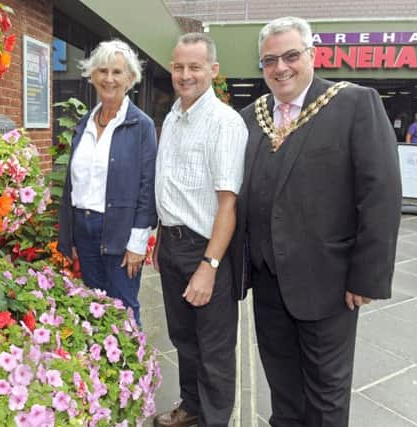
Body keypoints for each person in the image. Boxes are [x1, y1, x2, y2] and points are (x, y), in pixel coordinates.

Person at [231, 16, 402, 427]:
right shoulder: (250, 117)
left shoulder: (354, 103)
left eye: (291, 56)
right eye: (269, 60)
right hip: (267, 280)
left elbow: (380, 194)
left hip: (329, 283)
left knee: (326, 394)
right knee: (283, 387)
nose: (280, 67)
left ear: (313, 55)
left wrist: (366, 278)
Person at [153, 33, 248, 427]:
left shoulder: (224, 122)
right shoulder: (173, 116)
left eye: (194, 67)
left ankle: (213, 421)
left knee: (214, 350)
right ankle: (191, 408)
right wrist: (160, 238)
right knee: (183, 340)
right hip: (172, 243)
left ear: (213, 70)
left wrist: (209, 265)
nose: (185, 74)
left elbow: (229, 203)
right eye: (178, 66)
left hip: (206, 248)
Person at [58, 40, 157, 325]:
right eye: (102, 70)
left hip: (120, 231)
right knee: (94, 305)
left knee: (123, 307)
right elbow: (72, 184)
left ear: (131, 78)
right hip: (84, 228)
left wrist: (138, 243)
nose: (109, 79)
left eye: (117, 72)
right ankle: (101, 368)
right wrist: (71, 235)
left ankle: (132, 368)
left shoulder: (142, 126)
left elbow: (146, 186)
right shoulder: (84, 123)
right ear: (92, 76)